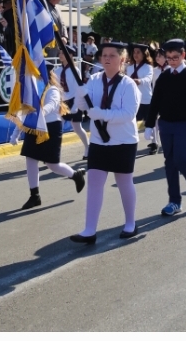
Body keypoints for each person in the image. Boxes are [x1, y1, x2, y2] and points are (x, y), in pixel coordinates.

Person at [70, 42, 142, 244]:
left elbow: (128, 114)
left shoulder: (128, 85)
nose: (107, 58)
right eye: (104, 55)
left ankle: (130, 223)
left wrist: (100, 114)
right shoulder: (93, 80)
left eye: (112, 55)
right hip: (99, 141)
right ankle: (89, 230)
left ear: (122, 59)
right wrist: (80, 95)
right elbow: (83, 107)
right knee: (94, 182)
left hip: (123, 141)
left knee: (123, 181)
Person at [145, 39, 186, 216]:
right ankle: (174, 201)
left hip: (185, 124)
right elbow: (155, 102)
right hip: (166, 124)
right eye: (169, 57)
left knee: (181, 158)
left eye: (175, 57)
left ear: (183, 55)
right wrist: (149, 125)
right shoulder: (164, 76)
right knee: (169, 163)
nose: (172, 61)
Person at [18, 67, 87, 210]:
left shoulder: (52, 89)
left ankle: (75, 175)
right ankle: (34, 195)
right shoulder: (32, 91)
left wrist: (39, 113)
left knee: (52, 164)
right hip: (35, 127)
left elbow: (52, 105)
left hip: (51, 128)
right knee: (30, 159)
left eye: (38, 73)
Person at [55, 46, 90, 160]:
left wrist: (75, 105)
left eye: (63, 53)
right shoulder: (58, 70)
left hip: (74, 100)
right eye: (59, 53)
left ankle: (87, 148)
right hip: (63, 102)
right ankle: (55, 154)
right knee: (57, 128)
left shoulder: (75, 70)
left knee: (77, 128)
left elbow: (78, 89)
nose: (60, 55)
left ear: (70, 55)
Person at [128, 44, 157, 153]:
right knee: (132, 122)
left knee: (149, 122)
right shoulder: (129, 67)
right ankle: (132, 143)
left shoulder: (148, 67)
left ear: (144, 54)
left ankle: (154, 142)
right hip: (132, 99)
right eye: (134, 52)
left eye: (138, 52)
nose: (135, 55)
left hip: (146, 99)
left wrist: (139, 81)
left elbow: (148, 79)